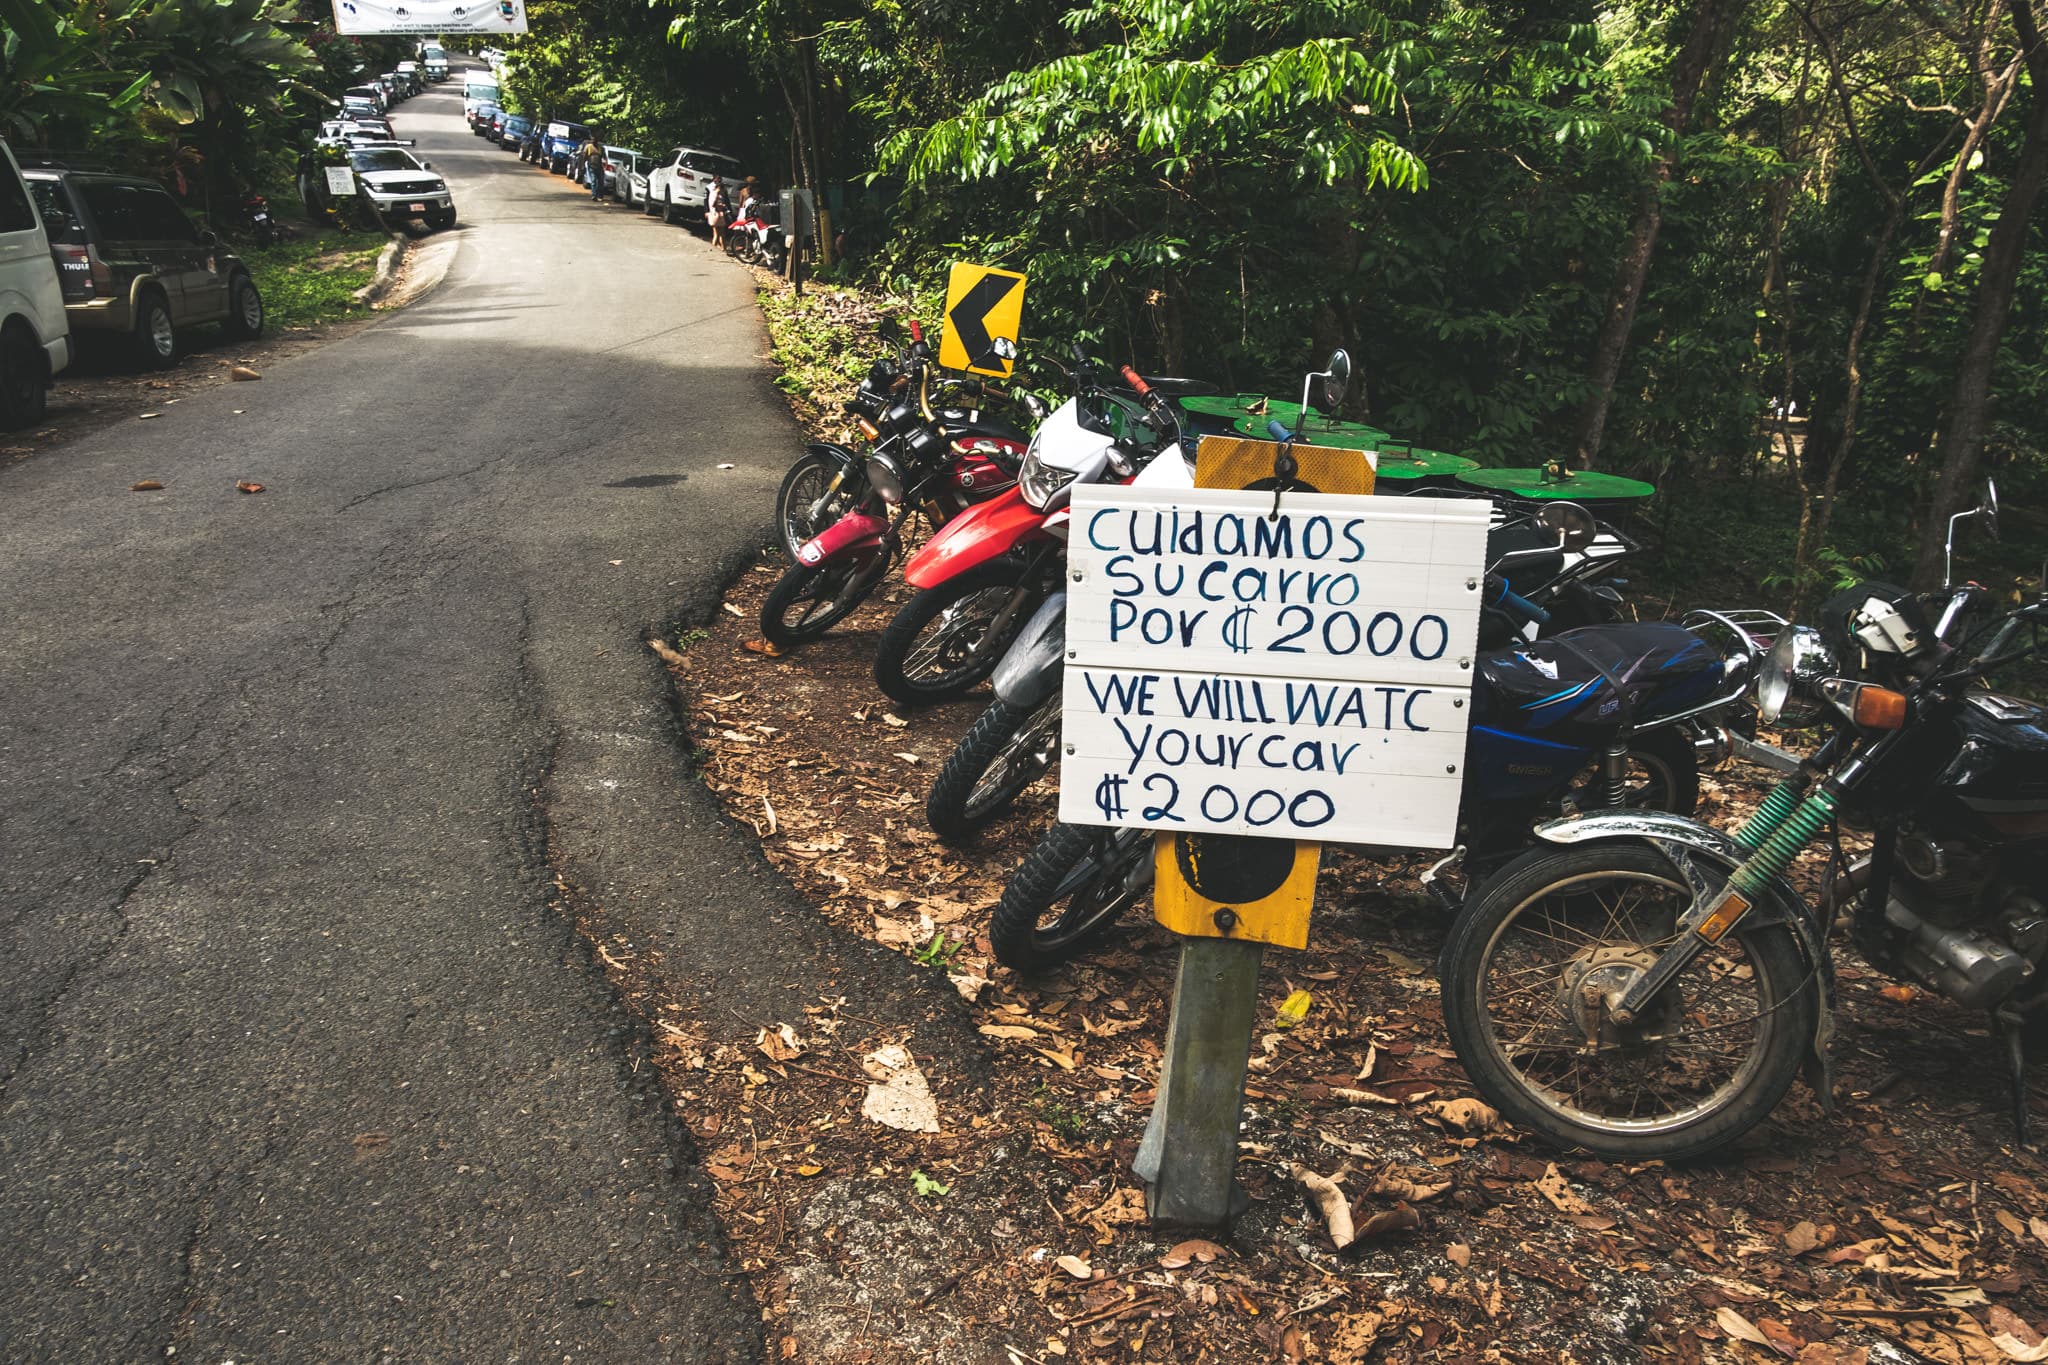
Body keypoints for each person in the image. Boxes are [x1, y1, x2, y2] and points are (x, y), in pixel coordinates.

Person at [706, 179, 730, 249]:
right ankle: (719, 248)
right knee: (720, 233)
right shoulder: (716, 194)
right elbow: (714, 204)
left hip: (714, 214)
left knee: (717, 233)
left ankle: (719, 248)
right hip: (717, 215)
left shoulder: (712, 193)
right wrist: (722, 205)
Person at [580, 135, 605, 202]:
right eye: (592, 140)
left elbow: (603, 157)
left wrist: (604, 166)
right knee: (593, 181)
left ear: (597, 141)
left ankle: (600, 195)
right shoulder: (588, 147)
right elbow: (584, 156)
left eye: (594, 140)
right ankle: (594, 195)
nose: (593, 141)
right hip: (591, 166)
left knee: (601, 182)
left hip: (599, 167)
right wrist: (582, 165)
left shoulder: (600, 148)